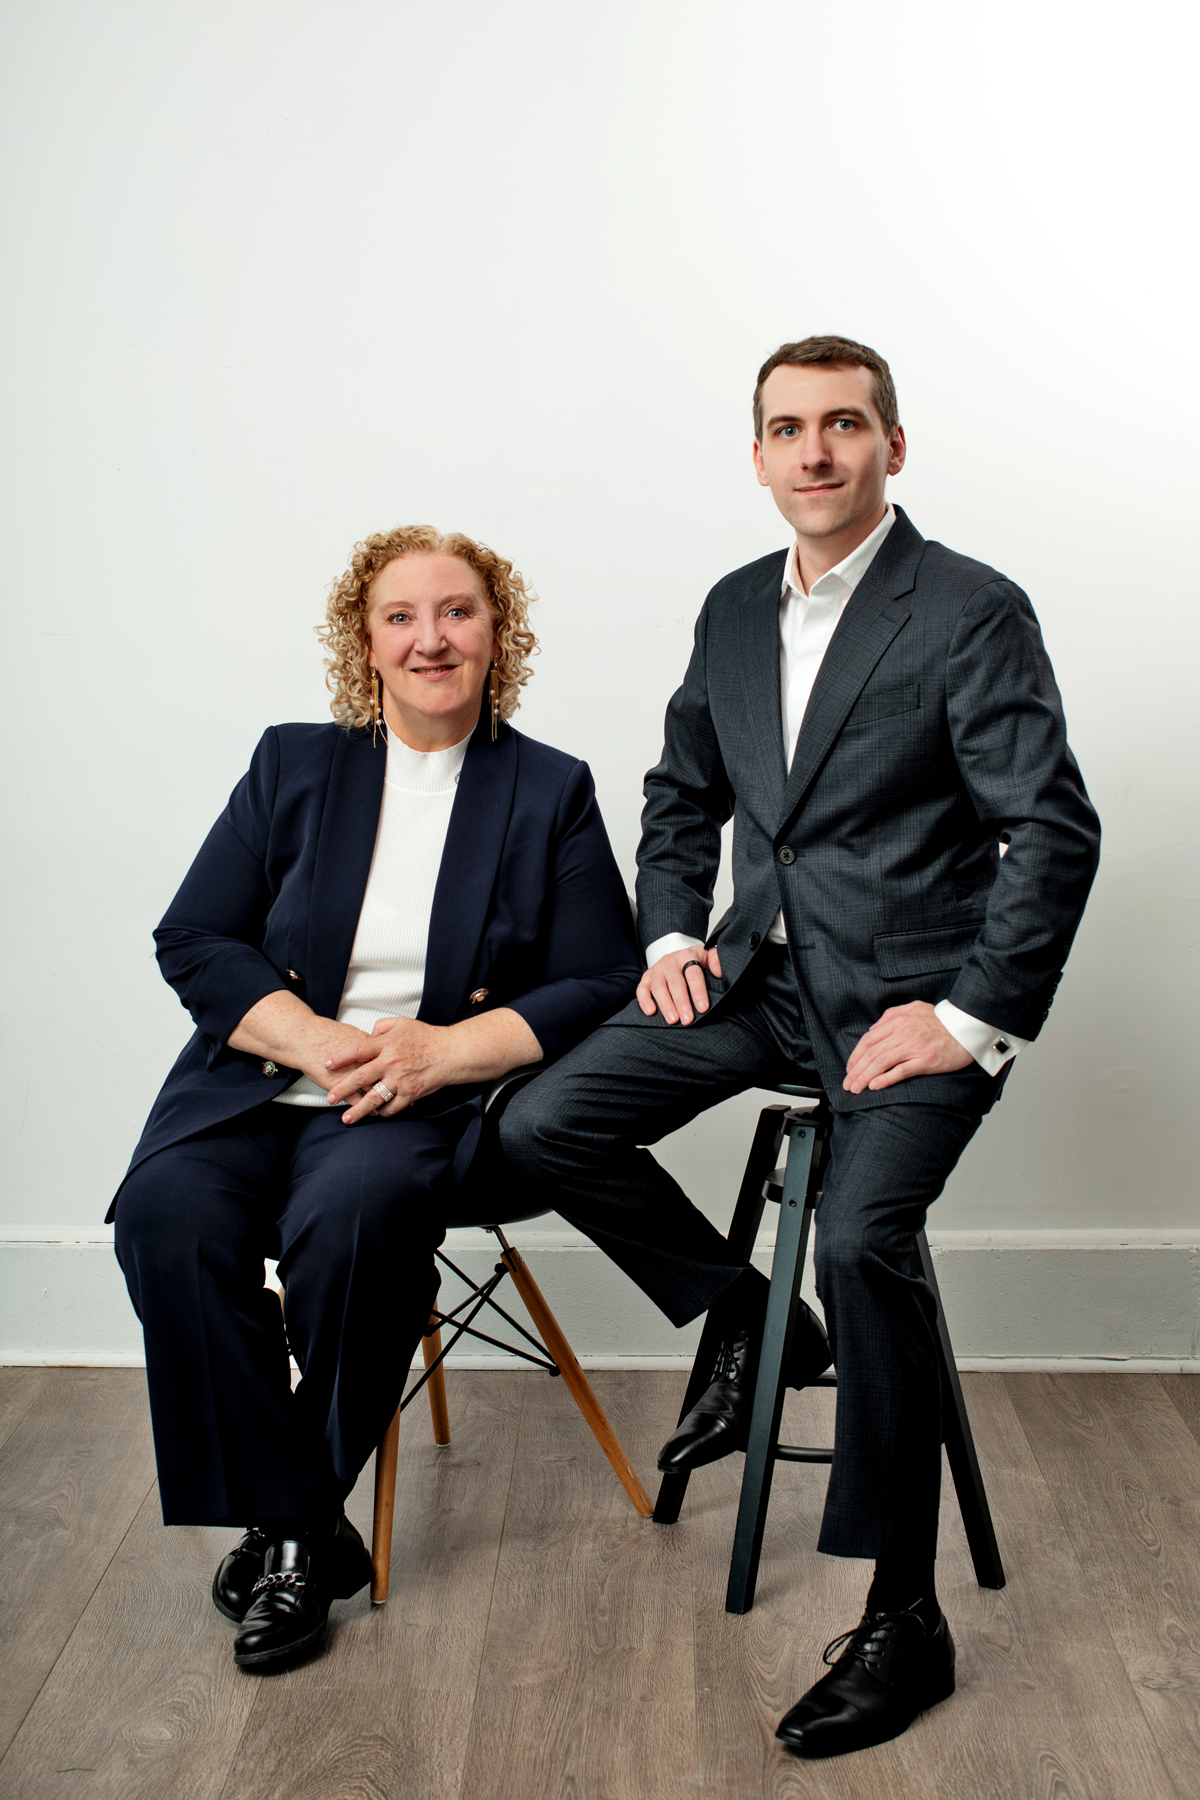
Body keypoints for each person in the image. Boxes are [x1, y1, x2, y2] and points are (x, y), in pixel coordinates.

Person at [501, 337, 1100, 1758]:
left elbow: (1052, 831)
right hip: (763, 979)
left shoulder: (966, 608)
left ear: (895, 443)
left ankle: (907, 1616)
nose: (816, 451)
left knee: (861, 1235)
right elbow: (679, 794)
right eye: (788, 428)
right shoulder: (727, 611)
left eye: (845, 424)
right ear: (758, 455)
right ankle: (752, 1322)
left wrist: (962, 1018)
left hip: (911, 1007)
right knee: (535, 1125)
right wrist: (669, 942)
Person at [109, 526, 641, 1672]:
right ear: (366, 638)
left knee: (354, 1228)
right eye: (401, 616)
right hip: (252, 1084)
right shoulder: (294, 763)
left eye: (457, 612)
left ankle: (291, 1544)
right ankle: (305, 1516)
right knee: (167, 1222)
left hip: (413, 1104)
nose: (430, 638)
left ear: (499, 633)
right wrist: (310, 1037)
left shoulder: (549, 789)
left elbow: (604, 977)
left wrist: (443, 1055)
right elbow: (194, 935)